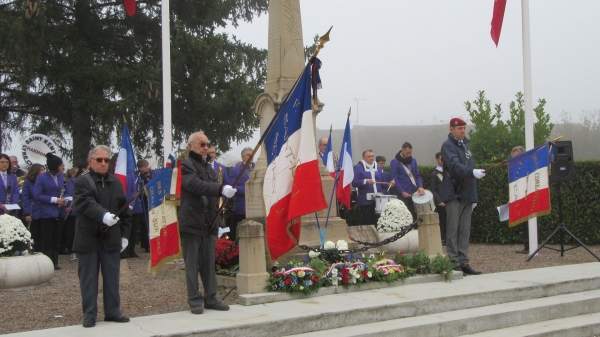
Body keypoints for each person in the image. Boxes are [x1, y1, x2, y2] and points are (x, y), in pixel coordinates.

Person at [72, 145, 132, 328]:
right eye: (99, 160)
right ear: (90, 161)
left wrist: (125, 236)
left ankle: (113, 311)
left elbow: (124, 211)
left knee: (112, 277)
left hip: (111, 238)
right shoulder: (81, 182)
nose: (104, 163)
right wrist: (103, 215)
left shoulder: (115, 182)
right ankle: (89, 314)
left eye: (107, 160)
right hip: (88, 237)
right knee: (89, 278)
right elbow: (85, 203)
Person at [179, 131, 236, 314]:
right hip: (192, 223)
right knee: (192, 264)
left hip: (209, 223)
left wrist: (218, 219)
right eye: (201, 144)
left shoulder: (209, 168)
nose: (205, 148)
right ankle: (195, 300)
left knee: (208, 263)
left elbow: (212, 197)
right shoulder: (187, 165)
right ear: (191, 146)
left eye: (207, 144)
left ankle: (211, 298)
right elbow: (194, 185)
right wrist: (220, 188)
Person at [441, 118, 486, 276]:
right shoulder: (447, 146)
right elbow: (454, 166)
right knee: (453, 228)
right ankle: (454, 261)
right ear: (451, 129)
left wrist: (474, 196)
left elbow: (470, 167)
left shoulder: (466, 145)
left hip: (467, 192)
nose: (462, 131)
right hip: (454, 191)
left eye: (464, 128)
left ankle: (464, 261)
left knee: (465, 229)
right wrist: (472, 172)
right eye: (459, 128)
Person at [34, 153, 70, 270]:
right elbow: (38, 195)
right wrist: (55, 200)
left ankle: (55, 261)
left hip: (60, 212)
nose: (62, 167)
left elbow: (67, 191)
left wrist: (65, 200)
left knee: (57, 238)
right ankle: (47, 263)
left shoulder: (62, 177)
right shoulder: (42, 178)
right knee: (47, 239)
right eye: (60, 165)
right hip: (47, 213)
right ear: (54, 166)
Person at [352, 150, 394, 225]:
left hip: (378, 199)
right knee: (367, 220)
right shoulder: (358, 167)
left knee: (377, 221)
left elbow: (383, 184)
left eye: (372, 156)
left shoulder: (378, 167)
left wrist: (390, 184)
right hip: (365, 200)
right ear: (364, 158)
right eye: (369, 156)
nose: (371, 158)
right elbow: (354, 182)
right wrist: (365, 181)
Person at [122, 159, 150, 258]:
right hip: (132, 204)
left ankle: (132, 249)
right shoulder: (134, 176)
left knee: (134, 229)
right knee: (128, 229)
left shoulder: (144, 177)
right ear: (140, 167)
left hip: (138, 206)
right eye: (145, 166)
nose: (147, 168)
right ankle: (126, 249)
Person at [390, 142, 425, 216]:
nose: (409, 155)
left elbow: (417, 176)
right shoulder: (395, 162)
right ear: (402, 150)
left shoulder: (413, 160)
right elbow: (394, 179)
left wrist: (420, 186)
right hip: (402, 195)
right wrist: (402, 191)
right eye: (407, 153)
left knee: (413, 216)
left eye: (410, 153)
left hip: (414, 193)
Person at [228, 147, 254, 241]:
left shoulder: (258, 168)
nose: (251, 157)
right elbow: (233, 186)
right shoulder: (235, 171)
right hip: (242, 207)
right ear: (243, 157)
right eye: (248, 155)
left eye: (252, 155)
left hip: (257, 207)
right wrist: (249, 191)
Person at [510, 146, 530, 254]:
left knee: (528, 223)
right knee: (524, 223)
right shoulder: (516, 168)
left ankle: (530, 246)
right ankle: (527, 246)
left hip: (528, 197)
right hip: (521, 198)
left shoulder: (527, 165)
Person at [21, 164, 45, 251]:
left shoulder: (44, 181)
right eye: (41, 170)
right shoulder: (28, 182)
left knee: (42, 235)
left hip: (43, 212)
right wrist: (27, 213)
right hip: (33, 211)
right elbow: (25, 197)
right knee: (33, 234)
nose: (43, 172)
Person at [430, 152, 447, 245]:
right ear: (437, 159)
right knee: (442, 221)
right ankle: (443, 239)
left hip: (449, 201)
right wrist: (439, 201)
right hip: (440, 202)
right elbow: (433, 189)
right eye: (441, 159)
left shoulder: (448, 171)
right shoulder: (434, 174)